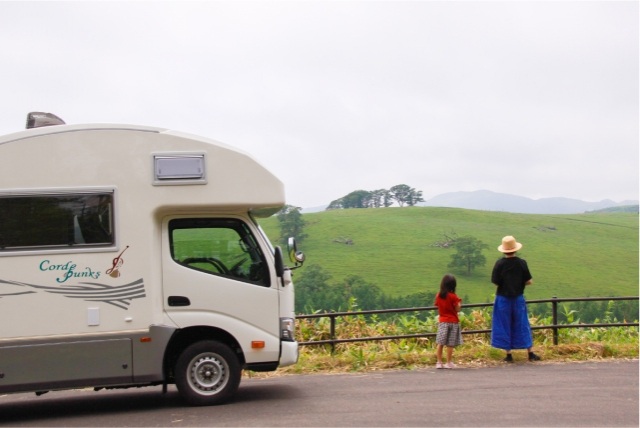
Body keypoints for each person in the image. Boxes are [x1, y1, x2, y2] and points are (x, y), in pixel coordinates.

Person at [490, 235, 541, 362]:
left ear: (503, 250)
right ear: (515, 249)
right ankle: (530, 353)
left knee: (504, 323)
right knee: (522, 323)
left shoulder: (499, 264)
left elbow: (495, 282)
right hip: (518, 297)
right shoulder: (521, 263)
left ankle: (508, 354)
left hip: (503, 298)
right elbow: (529, 281)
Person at [434, 274, 463, 369]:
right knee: (450, 344)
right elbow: (458, 309)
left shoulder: (439, 295)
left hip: (443, 321)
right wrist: (459, 303)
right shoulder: (453, 296)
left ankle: (439, 362)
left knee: (440, 343)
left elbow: (436, 305)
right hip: (453, 322)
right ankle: (449, 362)